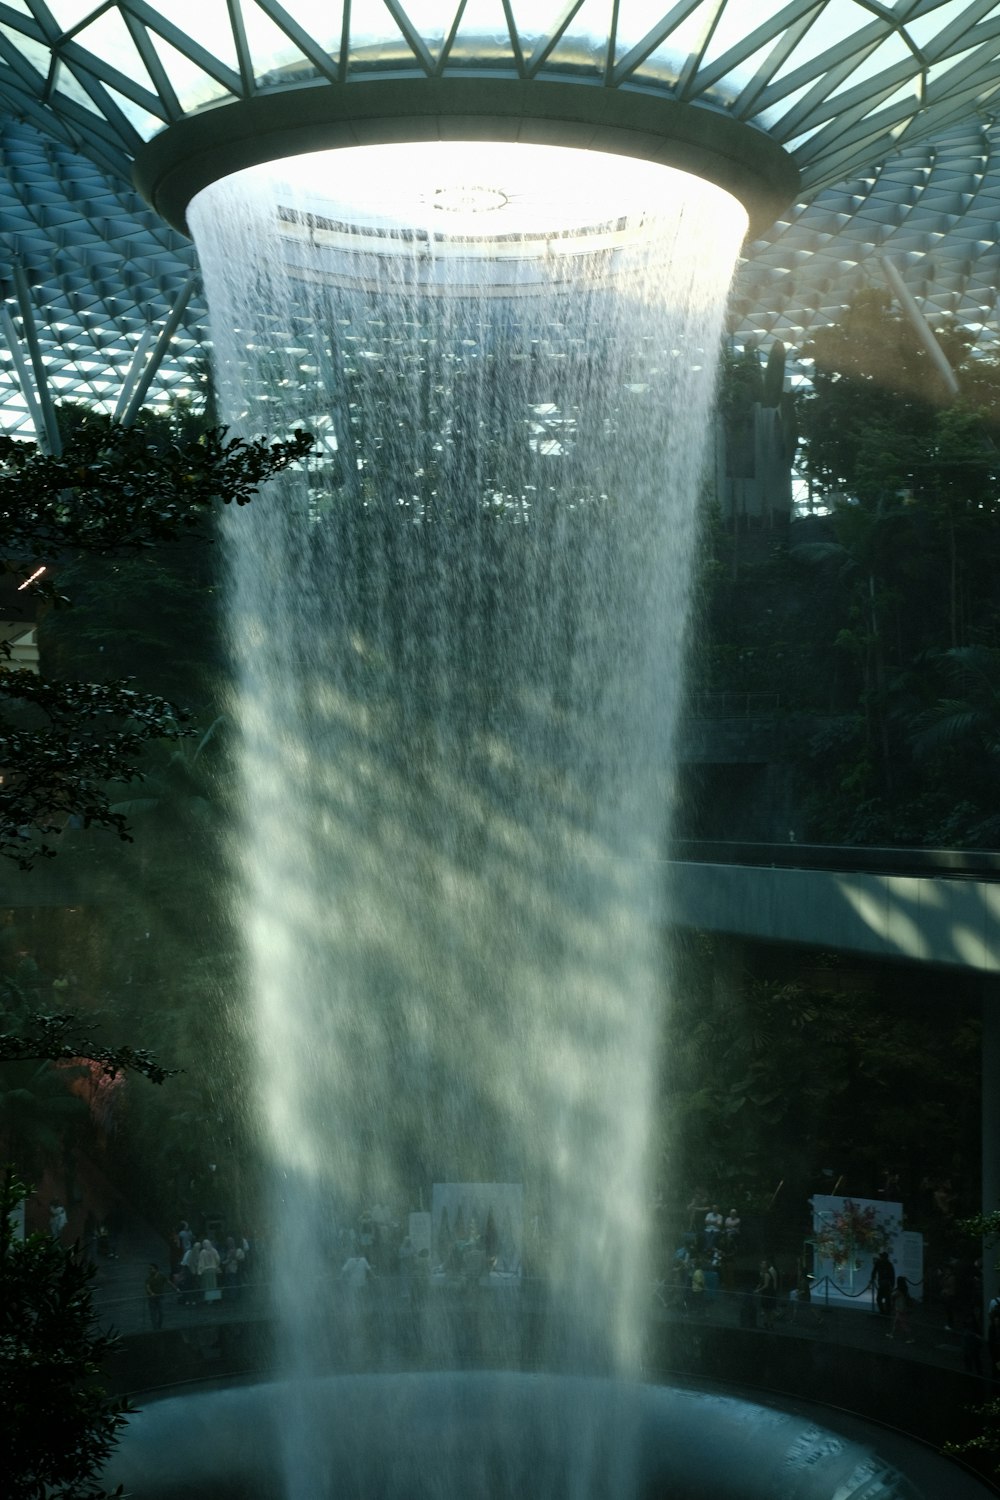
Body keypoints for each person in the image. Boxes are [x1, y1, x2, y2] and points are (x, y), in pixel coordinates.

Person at [887, 1275, 915, 1342]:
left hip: (901, 1309)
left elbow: (892, 1295)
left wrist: (890, 1289)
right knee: (896, 1322)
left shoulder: (898, 1291)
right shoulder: (904, 1289)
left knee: (904, 1324)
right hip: (901, 1309)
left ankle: (910, 1338)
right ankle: (891, 1334)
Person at [145, 1263, 172, 1330]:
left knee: (161, 1313)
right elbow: (147, 1287)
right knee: (153, 1314)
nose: (149, 1270)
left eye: (151, 1269)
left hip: (160, 1297)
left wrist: (176, 1289)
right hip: (152, 1299)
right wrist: (152, 1293)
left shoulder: (161, 1276)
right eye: (149, 1269)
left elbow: (168, 1282)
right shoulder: (148, 1279)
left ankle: (159, 1326)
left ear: (156, 1269)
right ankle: (155, 1328)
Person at [870, 1250, 895, 1317]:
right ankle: (885, 1312)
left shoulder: (885, 1264)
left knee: (883, 1299)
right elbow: (892, 1276)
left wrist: (873, 1278)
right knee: (884, 1299)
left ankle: (885, 1312)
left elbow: (892, 1275)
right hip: (884, 1283)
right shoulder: (884, 1264)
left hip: (885, 1284)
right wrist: (892, 1285)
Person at [755, 1258, 777, 1330]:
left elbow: (766, 1285)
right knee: (766, 1310)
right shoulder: (763, 1273)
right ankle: (767, 1323)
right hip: (766, 1294)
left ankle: (770, 1324)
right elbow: (761, 1283)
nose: (761, 1264)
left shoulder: (767, 1274)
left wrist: (758, 1290)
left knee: (769, 1310)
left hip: (768, 1294)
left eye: (763, 1263)